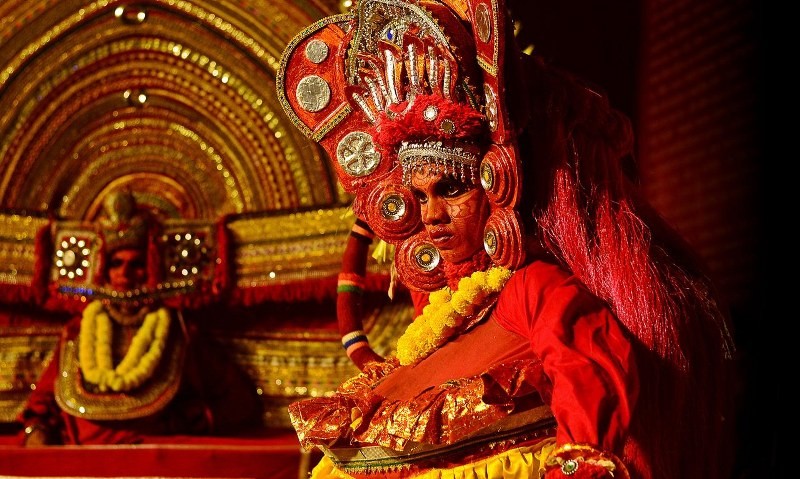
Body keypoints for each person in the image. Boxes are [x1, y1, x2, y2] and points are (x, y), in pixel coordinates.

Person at [275, 0, 737, 478]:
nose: (431, 215)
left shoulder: (531, 289)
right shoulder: (446, 314)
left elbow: (590, 367)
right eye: (418, 196)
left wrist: (579, 467)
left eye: (451, 188)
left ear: (495, 186)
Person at [17, 191, 262, 445]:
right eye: (116, 263)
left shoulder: (179, 331)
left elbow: (239, 401)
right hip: (85, 459)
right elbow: (42, 405)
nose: (125, 273)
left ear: (152, 268)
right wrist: (36, 433)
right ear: (104, 270)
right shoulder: (77, 330)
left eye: (136, 264)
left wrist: (190, 422)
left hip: (155, 458)